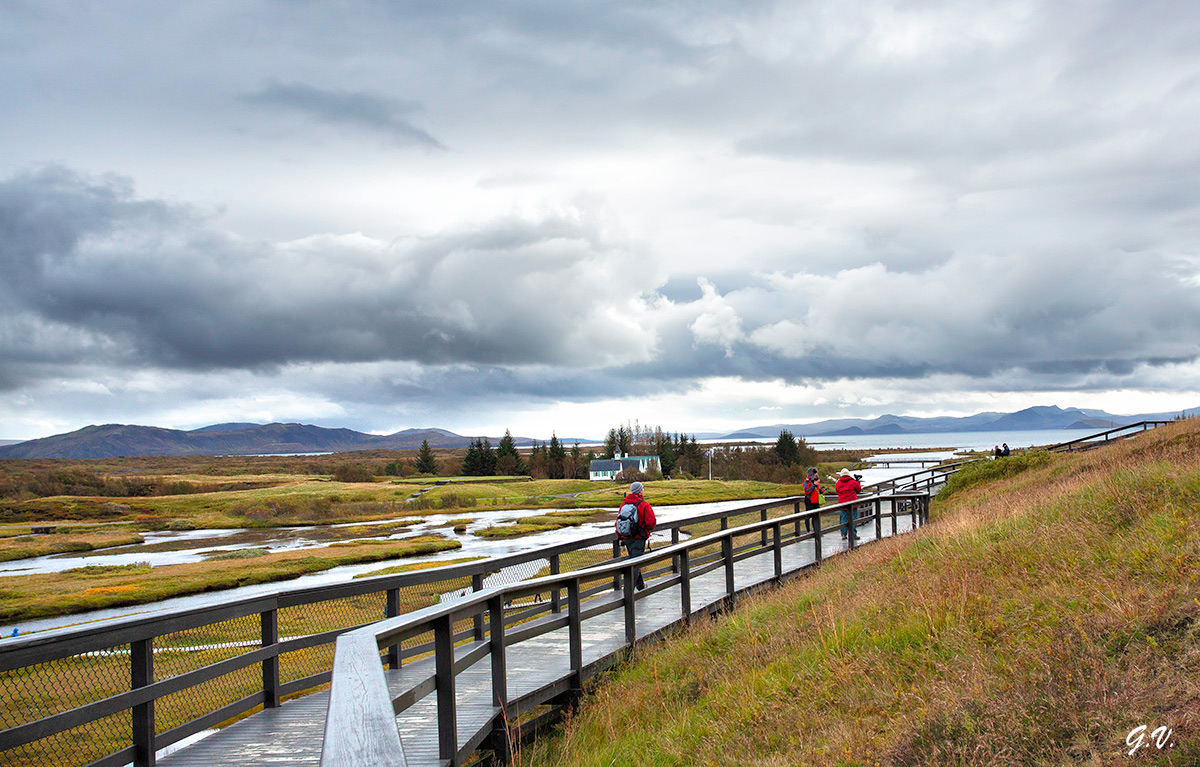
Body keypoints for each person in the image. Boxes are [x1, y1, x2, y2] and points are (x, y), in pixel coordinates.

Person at [615, 480, 656, 590]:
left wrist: (620, 536)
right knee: (635, 564)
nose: (643, 491)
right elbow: (651, 522)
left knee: (634, 561)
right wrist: (646, 530)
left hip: (626, 537)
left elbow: (618, 522)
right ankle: (628, 591)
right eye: (642, 489)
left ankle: (640, 586)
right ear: (640, 491)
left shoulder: (624, 504)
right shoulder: (643, 505)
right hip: (638, 538)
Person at [835, 469, 861, 540]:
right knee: (854, 519)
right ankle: (853, 534)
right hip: (853, 503)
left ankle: (843, 534)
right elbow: (858, 489)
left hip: (843, 504)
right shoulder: (853, 482)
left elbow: (837, 491)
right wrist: (858, 482)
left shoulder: (838, 483)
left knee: (843, 519)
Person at [802, 467, 821, 532]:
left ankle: (816, 530)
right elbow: (807, 491)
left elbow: (816, 491)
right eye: (815, 473)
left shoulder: (815, 481)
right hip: (809, 501)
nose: (816, 474)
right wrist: (814, 485)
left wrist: (821, 490)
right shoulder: (806, 482)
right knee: (808, 516)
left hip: (816, 501)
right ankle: (808, 530)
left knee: (816, 516)